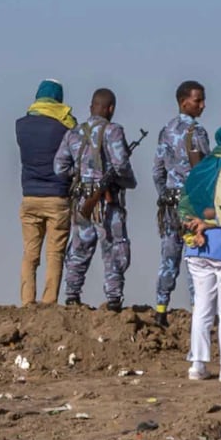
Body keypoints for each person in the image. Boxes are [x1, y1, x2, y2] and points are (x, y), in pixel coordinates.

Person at [56, 88, 137, 310]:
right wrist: (126, 182)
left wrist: (81, 175)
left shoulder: (73, 133)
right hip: (106, 204)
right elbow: (121, 165)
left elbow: (59, 167)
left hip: (81, 201)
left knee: (79, 248)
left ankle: (72, 295)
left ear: (91, 107)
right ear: (111, 108)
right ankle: (113, 299)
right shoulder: (113, 131)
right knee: (114, 248)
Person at [179, 120, 221, 380]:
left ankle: (197, 364)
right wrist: (213, 221)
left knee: (202, 307)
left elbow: (184, 206)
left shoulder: (200, 168)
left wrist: (194, 227)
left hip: (196, 248)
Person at [150, 81, 211, 314]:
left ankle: (161, 308)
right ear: (184, 102)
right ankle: (199, 312)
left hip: (169, 204)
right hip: (192, 204)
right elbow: (206, 170)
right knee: (195, 259)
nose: (202, 106)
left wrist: (164, 195)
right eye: (198, 101)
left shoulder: (166, 130)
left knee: (168, 258)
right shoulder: (198, 132)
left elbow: (157, 171)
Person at [13, 80, 75, 302]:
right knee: (54, 253)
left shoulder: (21, 125)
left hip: (29, 196)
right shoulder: (66, 126)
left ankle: (27, 300)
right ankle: (49, 302)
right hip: (57, 197)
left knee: (30, 253)